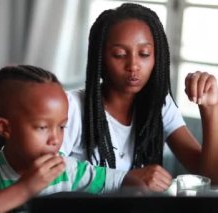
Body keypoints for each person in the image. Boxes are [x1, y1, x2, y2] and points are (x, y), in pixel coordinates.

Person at [0, 65, 146, 213]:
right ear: (5, 128)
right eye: (42, 127)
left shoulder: (66, 169)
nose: (55, 138)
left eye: (62, 126)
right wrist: (25, 189)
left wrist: (142, 186)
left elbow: (120, 180)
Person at [60, 2, 218, 191]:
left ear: (156, 57)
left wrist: (210, 109)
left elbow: (210, 178)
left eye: (144, 54)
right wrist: (123, 178)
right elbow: (46, 172)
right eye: (119, 55)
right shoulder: (72, 108)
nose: (133, 65)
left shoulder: (159, 105)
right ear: (100, 58)